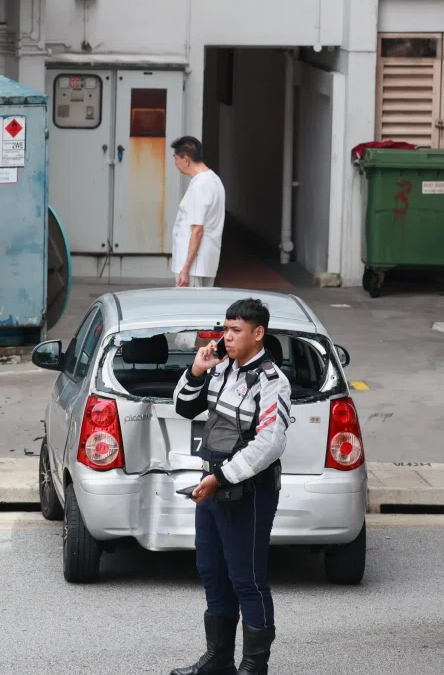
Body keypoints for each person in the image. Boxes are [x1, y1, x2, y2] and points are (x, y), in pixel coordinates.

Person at [170, 298, 290, 675]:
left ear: (258, 333)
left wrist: (220, 478)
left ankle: (254, 667)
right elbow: (184, 408)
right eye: (225, 329)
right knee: (211, 570)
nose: (227, 337)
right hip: (211, 484)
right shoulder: (222, 370)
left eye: (236, 330)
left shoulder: (272, 381)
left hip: (247, 491)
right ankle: (218, 659)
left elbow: (270, 443)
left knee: (247, 578)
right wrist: (196, 370)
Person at [171, 136, 225, 288]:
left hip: (193, 266)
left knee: (188, 309)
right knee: (202, 308)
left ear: (186, 159)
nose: (175, 163)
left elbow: (197, 230)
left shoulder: (199, 186)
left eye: (175, 158)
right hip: (205, 263)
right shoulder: (214, 180)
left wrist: (185, 268)